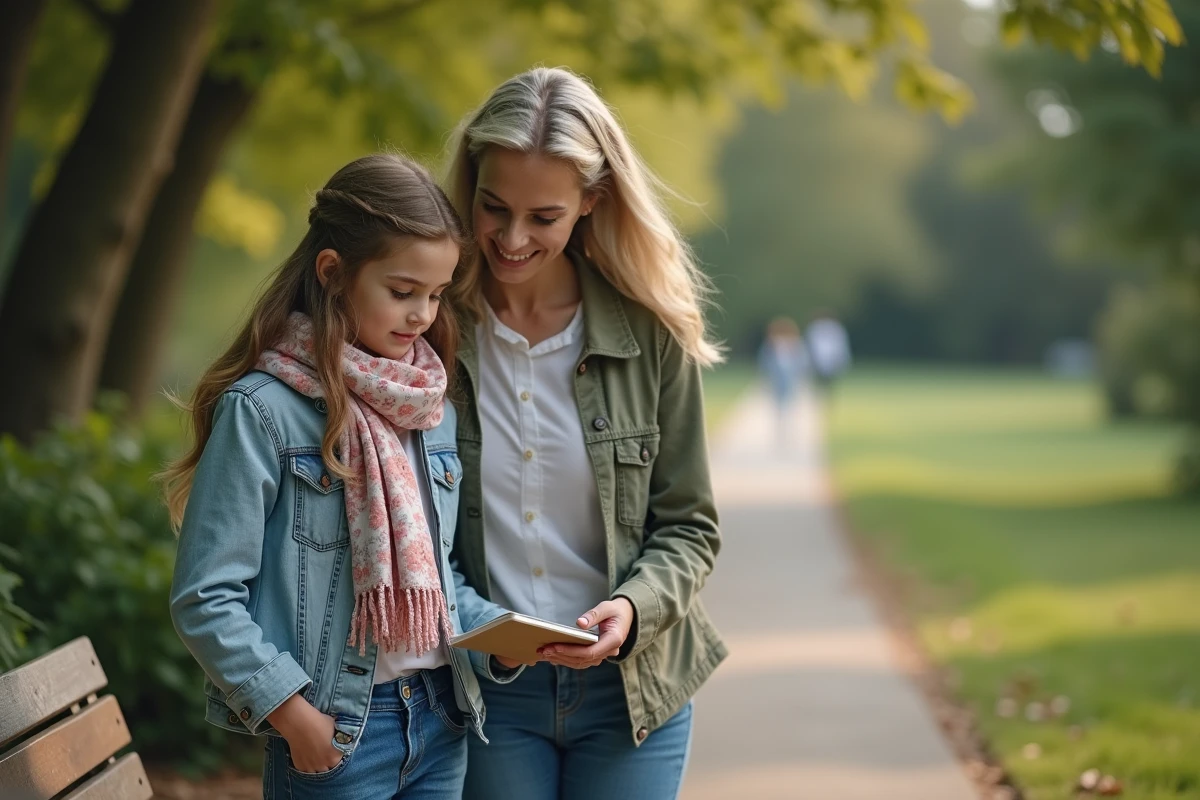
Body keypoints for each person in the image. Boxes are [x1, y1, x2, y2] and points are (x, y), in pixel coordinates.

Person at [165, 153, 499, 799]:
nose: (422, 314)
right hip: (338, 731)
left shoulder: (429, 408)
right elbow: (205, 596)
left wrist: (501, 638)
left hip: (440, 716)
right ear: (333, 273)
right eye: (402, 291)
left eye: (435, 294)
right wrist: (291, 714)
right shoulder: (263, 411)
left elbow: (435, 577)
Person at [444, 66, 727, 800]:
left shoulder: (651, 336)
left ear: (590, 204)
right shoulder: (433, 332)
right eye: (493, 206)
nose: (510, 239)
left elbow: (689, 526)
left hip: (633, 692)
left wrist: (632, 609)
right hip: (490, 694)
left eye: (543, 217)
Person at [757, 316, 810, 442]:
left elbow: (803, 363)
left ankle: (789, 429)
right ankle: (782, 428)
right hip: (777, 380)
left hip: (791, 379)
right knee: (779, 404)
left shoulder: (796, 345)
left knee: (792, 405)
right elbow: (764, 362)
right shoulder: (770, 346)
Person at [805, 311, 852, 395]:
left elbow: (839, 346)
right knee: (820, 381)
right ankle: (820, 395)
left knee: (828, 382)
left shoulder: (835, 329)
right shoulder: (815, 329)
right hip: (818, 360)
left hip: (829, 360)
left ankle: (825, 395)